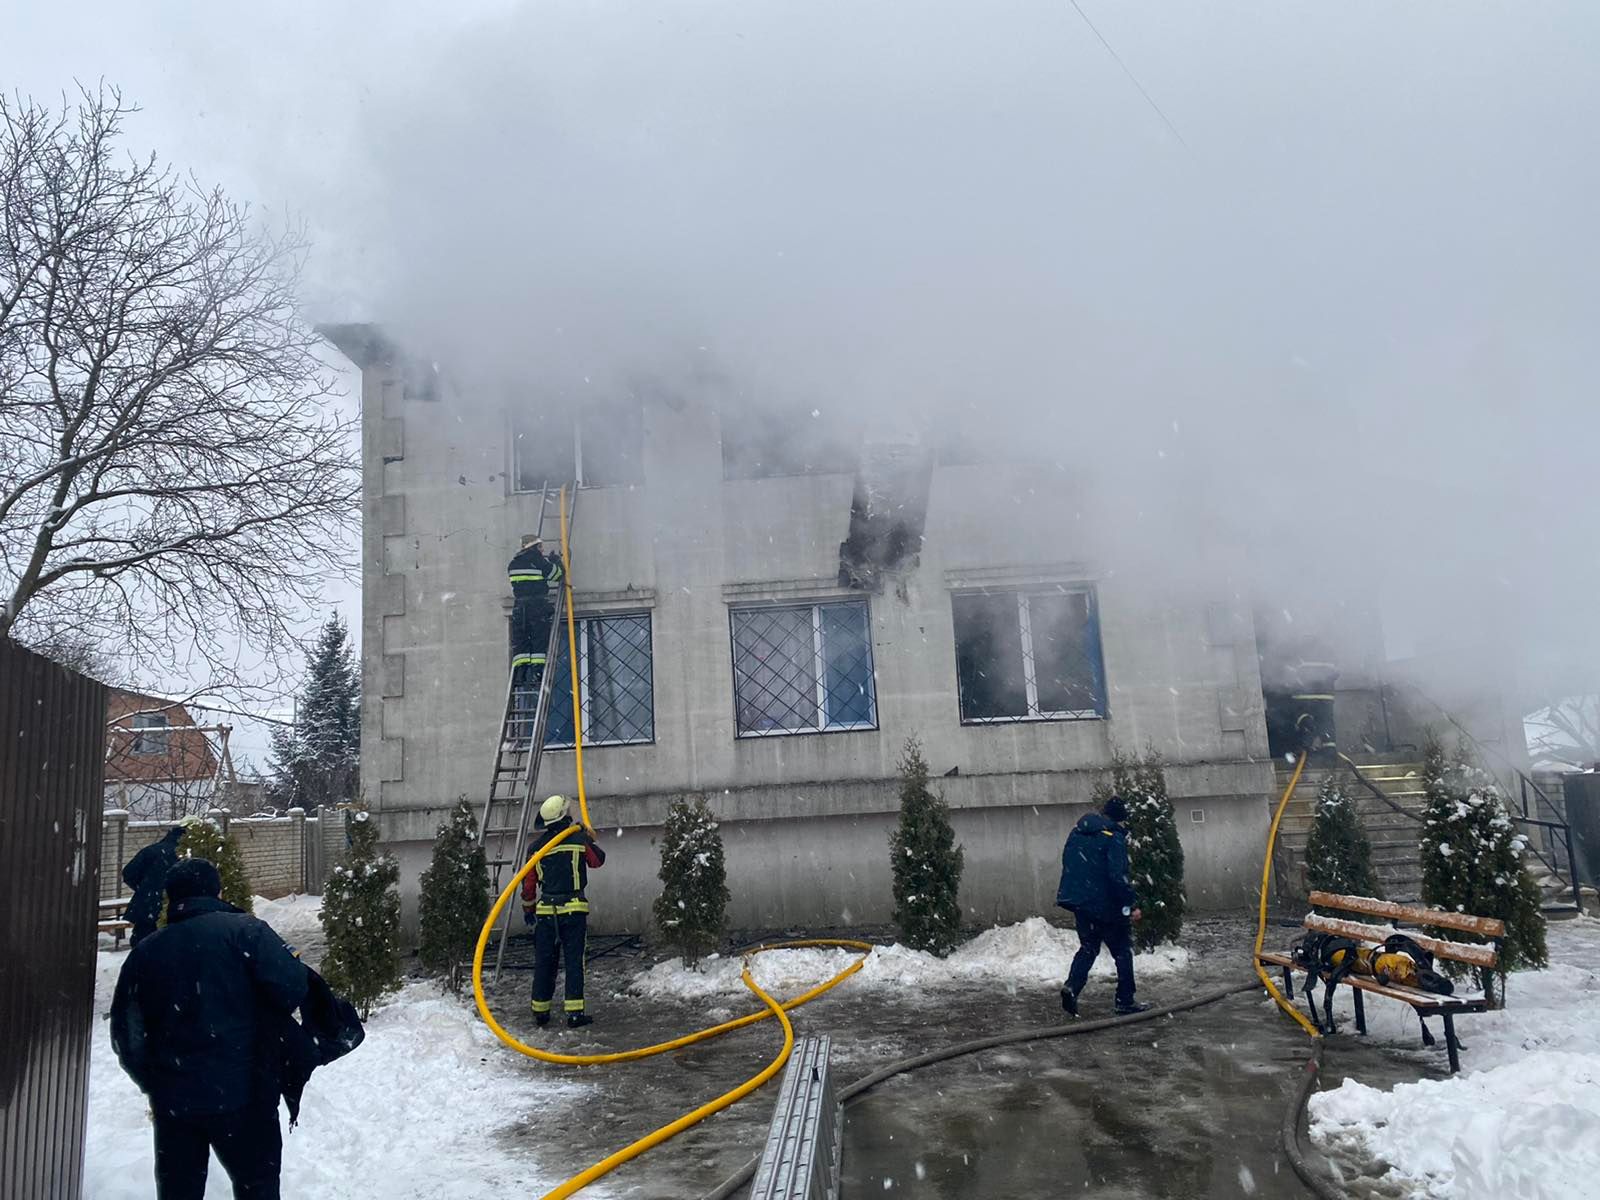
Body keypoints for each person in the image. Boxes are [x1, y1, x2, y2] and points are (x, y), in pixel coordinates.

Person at [110, 858, 309, 1200]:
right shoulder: (247, 931)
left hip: (176, 1103)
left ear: (170, 899)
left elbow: (127, 1035)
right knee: (258, 1188)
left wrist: (158, 1082)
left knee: (180, 1191)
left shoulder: (146, 952)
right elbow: (293, 987)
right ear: (217, 891)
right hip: (246, 1095)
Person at [1055, 797, 1149, 1017]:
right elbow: (1118, 876)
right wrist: (1130, 903)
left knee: (1088, 948)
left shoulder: (1077, 833)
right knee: (1123, 952)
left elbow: (1070, 865)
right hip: (1107, 907)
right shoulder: (1113, 838)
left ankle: (1072, 987)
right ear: (1120, 819)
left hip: (1081, 905)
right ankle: (1125, 1000)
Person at [521, 795, 605, 1028]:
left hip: (547, 913)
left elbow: (528, 883)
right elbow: (598, 861)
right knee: (574, 962)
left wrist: (528, 908)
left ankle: (541, 1012)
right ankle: (575, 1014)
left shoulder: (536, 848)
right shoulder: (578, 840)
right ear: (565, 817)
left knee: (544, 962)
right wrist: (588, 837)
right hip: (573, 912)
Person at [121, 816, 196, 947]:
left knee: (142, 944)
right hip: (178, 909)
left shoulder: (152, 850)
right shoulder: (189, 857)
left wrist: (146, 888)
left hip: (147, 907)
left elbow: (128, 873)